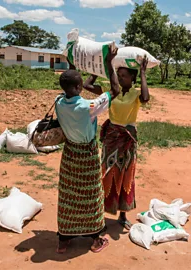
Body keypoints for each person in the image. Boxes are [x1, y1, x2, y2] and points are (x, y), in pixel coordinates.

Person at [54, 44, 120, 254]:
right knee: (91, 195)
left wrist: (74, 62)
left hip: (69, 154)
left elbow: (71, 79)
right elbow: (115, 91)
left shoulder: (58, 101)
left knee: (69, 195)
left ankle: (64, 238)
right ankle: (96, 238)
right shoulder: (88, 108)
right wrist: (109, 62)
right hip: (87, 155)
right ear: (79, 85)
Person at [83, 56, 150, 230]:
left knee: (126, 175)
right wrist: (99, 69)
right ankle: (102, 215)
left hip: (127, 139)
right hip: (112, 137)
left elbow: (145, 98)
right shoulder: (111, 91)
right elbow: (87, 85)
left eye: (123, 76)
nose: (120, 79)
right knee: (107, 173)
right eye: (118, 75)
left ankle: (123, 214)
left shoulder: (136, 93)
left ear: (132, 79)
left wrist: (143, 73)